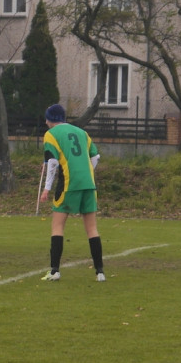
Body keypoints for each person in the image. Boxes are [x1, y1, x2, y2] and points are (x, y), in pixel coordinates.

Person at [39, 104, 105, 281]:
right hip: (89, 183)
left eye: (46, 118)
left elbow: (52, 163)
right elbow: (95, 156)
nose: (45, 122)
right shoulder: (82, 132)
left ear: (51, 120)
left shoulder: (51, 135)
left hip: (69, 183)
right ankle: (100, 272)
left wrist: (47, 188)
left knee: (58, 225)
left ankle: (54, 271)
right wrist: (86, 171)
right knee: (91, 228)